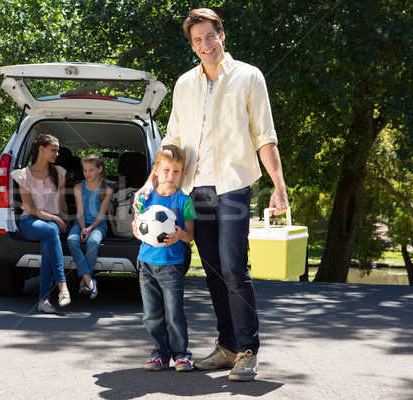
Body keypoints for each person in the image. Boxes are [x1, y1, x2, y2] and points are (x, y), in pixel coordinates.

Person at [136, 8, 288, 381]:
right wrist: (150, 181)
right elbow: (172, 139)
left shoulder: (249, 76)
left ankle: (248, 351)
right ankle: (227, 347)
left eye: (210, 36)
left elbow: (264, 136)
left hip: (233, 186)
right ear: (192, 46)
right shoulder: (185, 84)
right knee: (214, 272)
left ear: (222, 35)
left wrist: (279, 187)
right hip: (194, 189)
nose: (205, 45)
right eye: (197, 40)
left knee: (235, 268)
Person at [133, 145, 196, 372]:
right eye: (166, 170)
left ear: (182, 173)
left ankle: (181, 354)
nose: (171, 176)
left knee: (174, 313)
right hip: (146, 264)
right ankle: (160, 353)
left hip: (172, 266)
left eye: (176, 171)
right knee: (151, 314)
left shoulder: (184, 201)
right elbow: (137, 230)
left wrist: (180, 234)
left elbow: (190, 236)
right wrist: (136, 228)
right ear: (156, 170)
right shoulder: (145, 199)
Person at [11, 134, 71, 314]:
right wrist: (56, 219)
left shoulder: (59, 172)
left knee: (50, 237)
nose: (57, 154)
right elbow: (29, 209)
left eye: (58, 150)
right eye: (53, 150)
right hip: (30, 222)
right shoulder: (24, 175)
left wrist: (68, 225)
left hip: (50, 225)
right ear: (41, 150)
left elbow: (62, 204)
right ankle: (62, 286)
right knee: (51, 231)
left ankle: (43, 299)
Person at [66, 153, 113, 300]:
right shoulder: (79, 187)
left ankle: (83, 281)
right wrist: (82, 227)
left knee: (93, 242)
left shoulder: (107, 189)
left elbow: (101, 215)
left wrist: (90, 228)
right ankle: (88, 279)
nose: (87, 173)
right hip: (80, 223)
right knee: (72, 240)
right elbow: (79, 212)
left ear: (99, 169)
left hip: (98, 225)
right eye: (85, 170)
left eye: (91, 170)